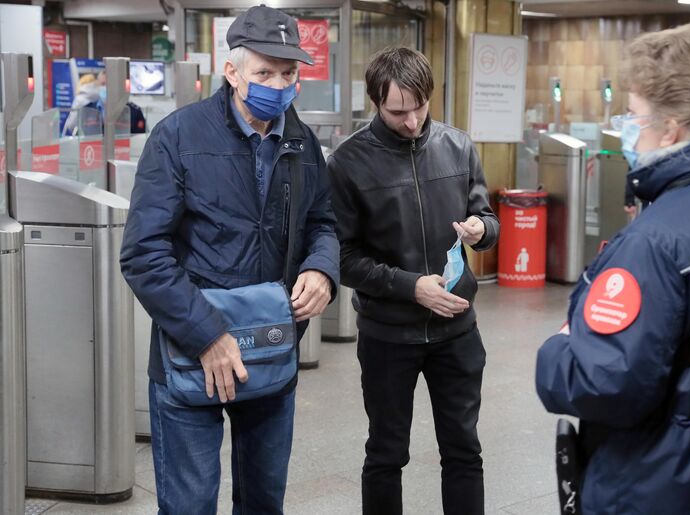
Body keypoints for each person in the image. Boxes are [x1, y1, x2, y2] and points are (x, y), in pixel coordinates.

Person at [536, 23, 690, 514]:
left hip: (660, 483)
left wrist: (557, 351)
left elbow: (606, 384)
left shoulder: (654, 242)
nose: (627, 129)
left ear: (671, 128)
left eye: (634, 116)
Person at [120, 6, 339, 514]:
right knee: (190, 504)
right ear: (232, 71)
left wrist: (321, 268)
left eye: (288, 74)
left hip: (269, 347)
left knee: (264, 501)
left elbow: (323, 223)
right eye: (264, 73)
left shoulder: (301, 141)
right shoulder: (179, 137)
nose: (279, 85)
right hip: (194, 354)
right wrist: (208, 335)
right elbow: (143, 253)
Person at [327, 47, 499, 515]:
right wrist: (411, 286)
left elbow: (486, 217)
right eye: (397, 111)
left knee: (464, 449)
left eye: (420, 106)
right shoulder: (348, 163)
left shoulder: (458, 146)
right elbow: (340, 257)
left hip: (457, 332)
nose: (412, 121)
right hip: (388, 336)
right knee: (386, 453)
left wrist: (483, 230)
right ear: (375, 102)